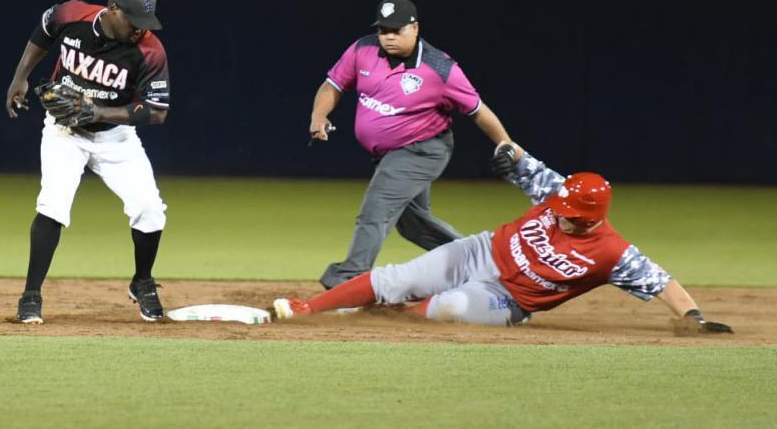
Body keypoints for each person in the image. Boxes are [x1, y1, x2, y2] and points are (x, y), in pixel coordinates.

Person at [273, 143, 733, 334]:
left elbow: (662, 282)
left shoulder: (613, 253)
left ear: (594, 219)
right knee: (398, 277)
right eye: (561, 208)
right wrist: (507, 153)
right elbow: (517, 156)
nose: (560, 215)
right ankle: (308, 309)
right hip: (480, 251)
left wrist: (693, 316)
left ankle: (382, 318)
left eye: (571, 216)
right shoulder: (559, 192)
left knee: (448, 309)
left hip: (509, 299)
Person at [310, 0, 515, 289]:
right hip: (389, 154)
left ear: (415, 27)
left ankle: (347, 281)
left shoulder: (440, 69)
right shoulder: (363, 49)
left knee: (376, 207)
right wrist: (319, 116)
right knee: (413, 225)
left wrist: (505, 143)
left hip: (423, 150)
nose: (389, 37)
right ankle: (486, 266)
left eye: (397, 30)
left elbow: (478, 110)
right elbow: (334, 85)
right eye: (384, 30)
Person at [5, 0, 171, 324]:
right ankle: (31, 296)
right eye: (134, 22)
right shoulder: (73, 14)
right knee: (53, 205)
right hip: (65, 131)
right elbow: (44, 31)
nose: (140, 31)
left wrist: (98, 113)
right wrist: (21, 77)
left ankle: (142, 281)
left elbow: (157, 112)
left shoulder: (150, 50)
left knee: (150, 208)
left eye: (145, 24)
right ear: (112, 10)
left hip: (117, 137)